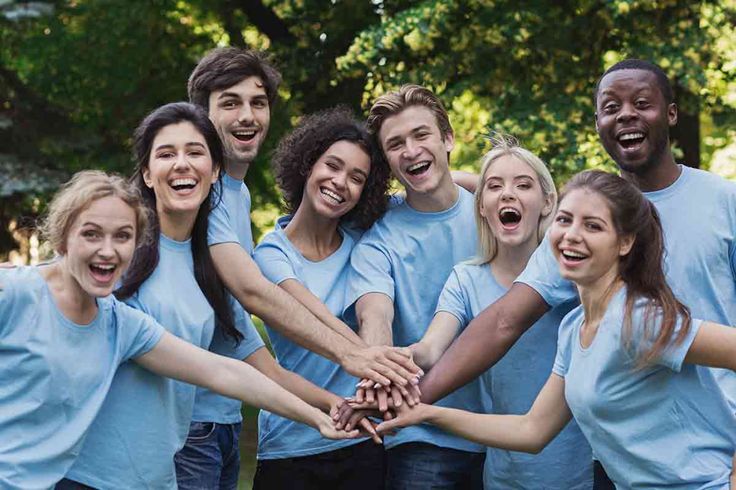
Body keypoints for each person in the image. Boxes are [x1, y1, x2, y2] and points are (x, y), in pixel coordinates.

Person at [418, 59, 736, 486]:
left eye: (642, 103)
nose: (626, 114)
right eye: (610, 106)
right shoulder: (576, 301)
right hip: (625, 462)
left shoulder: (721, 202)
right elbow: (504, 324)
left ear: (672, 114)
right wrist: (415, 403)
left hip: (711, 454)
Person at [60, 103, 356, 489]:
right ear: (148, 174)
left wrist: (332, 409)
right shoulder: (117, 253)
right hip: (88, 475)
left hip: (157, 476)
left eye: (195, 152)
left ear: (215, 170)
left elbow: (253, 371)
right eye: (166, 154)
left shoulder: (214, 270)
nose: (182, 164)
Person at [380, 170, 736, 489]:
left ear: (624, 242)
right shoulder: (573, 329)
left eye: (593, 226)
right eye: (564, 220)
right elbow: (532, 430)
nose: (571, 236)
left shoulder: (639, 319)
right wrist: (426, 413)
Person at [185, 46, 419, 391]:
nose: (247, 116)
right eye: (230, 103)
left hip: (223, 411)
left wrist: (476, 180)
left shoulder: (238, 193)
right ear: (202, 114)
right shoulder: (207, 192)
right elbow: (253, 291)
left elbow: (237, 327)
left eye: (258, 103)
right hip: (194, 412)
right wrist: (358, 355)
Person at [408, 135, 591, 488]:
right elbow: (431, 349)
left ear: (548, 203)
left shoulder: (570, 269)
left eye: (524, 185)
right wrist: (396, 361)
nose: (508, 194)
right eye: (494, 187)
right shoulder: (466, 278)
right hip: (504, 474)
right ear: (480, 206)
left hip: (580, 472)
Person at [344, 85, 486, 489]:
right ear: (386, 161)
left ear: (448, 138)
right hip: (422, 437)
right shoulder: (379, 240)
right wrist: (380, 363)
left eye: (421, 135)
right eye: (395, 144)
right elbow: (374, 314)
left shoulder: (495, 213)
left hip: (504, 429)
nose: (410, 150)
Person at [247, 107, 390, 489]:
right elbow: (308, 312)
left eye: (357, 178)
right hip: (290, 445)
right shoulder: (270, 254)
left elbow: (434, 192)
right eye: (333, 165)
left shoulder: (367, 244)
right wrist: (372, 358)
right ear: (308, 164)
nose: (340, 182)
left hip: (363, 438)